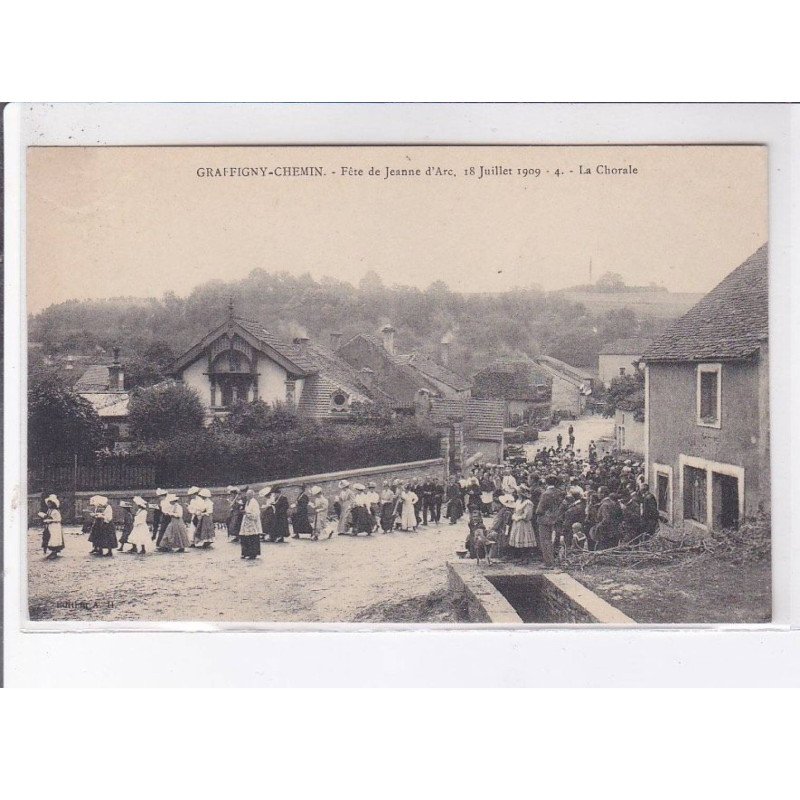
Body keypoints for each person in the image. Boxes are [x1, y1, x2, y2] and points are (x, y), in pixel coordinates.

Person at [535, 476, 563, 568]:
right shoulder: (559, 492)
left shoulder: (546, 494)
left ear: (546, 483)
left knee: (545, 541)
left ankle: (548, 563)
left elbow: (540, 509)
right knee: (553, 540)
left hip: (545, 519)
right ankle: (553, 560)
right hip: (556, 518)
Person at [508, 486, 536, 559]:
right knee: (517, 538)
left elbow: (528, 515)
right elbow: (515, 511)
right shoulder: (518, 501)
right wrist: (514, 516)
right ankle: (520, 556)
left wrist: (519, 518)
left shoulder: (528, 503)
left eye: (519, 492)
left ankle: (525, 557)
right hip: (516, 523)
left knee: (524, 539)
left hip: (524, 524)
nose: (518, 494)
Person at [239, 489, 262, 559]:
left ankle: (253, 553)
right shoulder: (247, 502)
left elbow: (256, 514)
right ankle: (245, 553)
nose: (247, 496)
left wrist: (247, 513)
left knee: (252, 538)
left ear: (252, 495)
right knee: (244, 537)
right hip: (246, 522)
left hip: (252, 523)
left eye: (249, 495)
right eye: (247, 494)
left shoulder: (254, 502)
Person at [41, 494, 64, 558]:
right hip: (50, 526)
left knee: (54, 538)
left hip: (55, 526)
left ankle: (54, 552)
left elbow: (59, 519)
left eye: (50, 504)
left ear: (53, 504)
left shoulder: (55, 511)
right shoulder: (49, 510)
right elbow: (48, 517)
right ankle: (51, 551)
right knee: (49, 537)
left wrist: (50, 520)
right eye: (48, 503)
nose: (48, 505)